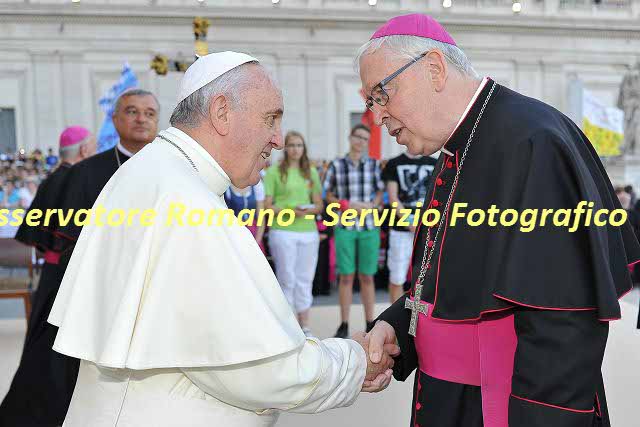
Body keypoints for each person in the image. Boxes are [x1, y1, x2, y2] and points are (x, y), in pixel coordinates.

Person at [47, 51, 396, 427]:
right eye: (271, 118)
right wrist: (354, 361)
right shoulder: (188, 203)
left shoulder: (153, 172)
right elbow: (260, 370)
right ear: (222, 112)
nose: (278, 139)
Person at [359, 13, 640, 427]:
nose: (377, 115)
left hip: (503, 408)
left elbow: (562, 322)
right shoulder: (457, 147)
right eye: (371, 101)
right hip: (449, 401)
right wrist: (399, 327)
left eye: (381, 94)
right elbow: (450, 279)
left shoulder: (534, 141)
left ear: (434, 68)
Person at [0, 126, 97, 427]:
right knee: (55, 352)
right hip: (67, 276)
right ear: (84, 150)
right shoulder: (77, 178)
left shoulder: (51, 179)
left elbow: (38, 235)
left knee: (43, 345)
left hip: (51, 274)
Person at [56, 88, 159, 263]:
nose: (141, 119)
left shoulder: (177, 168)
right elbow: (71, 237)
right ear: (115, 119)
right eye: (132, 112)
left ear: (157, 121)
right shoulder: (83, 172)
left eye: (149, 114)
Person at [323, 124, 384, 338]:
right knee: (346, 277)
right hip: (345, 226)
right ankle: (344, 323)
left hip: (369, 226)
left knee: (367, 276)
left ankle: (370, 322)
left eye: (365, 139)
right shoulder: (336, 165)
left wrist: (373, 205)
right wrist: (346, 204)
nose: (360, 141)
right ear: (350, 137)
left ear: (367, 142)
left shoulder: (374, 165)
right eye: (358, 137)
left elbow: (380, 192)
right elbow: (327, 194)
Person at [264, 131, 323, 336]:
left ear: (303, 148)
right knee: (286, 278)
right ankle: (288, 326)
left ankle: (305, 325)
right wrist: (290, 211)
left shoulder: (311, 172)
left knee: (305, 279)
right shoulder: (274, 172)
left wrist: (308, 210)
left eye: (299, 145)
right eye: (291, 145)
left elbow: (319, 204)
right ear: (285, 148)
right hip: (283, 231)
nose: (295, 149)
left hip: (308, 232)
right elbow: (268, 206)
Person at [382, 150, 437, 302]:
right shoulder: (394, 163)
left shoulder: (435, 162)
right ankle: (395, 315)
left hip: (429, 229)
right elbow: (393, 198)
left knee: (428, 279)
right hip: (401, 229)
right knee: (397, 277)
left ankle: (421, 315)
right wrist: (410, 223)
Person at [224, 181, 266, 248]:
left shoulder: (256, 185)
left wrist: (257, 242)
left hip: (254, 232)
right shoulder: (226, 186)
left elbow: (261, 218)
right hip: (234, 232)